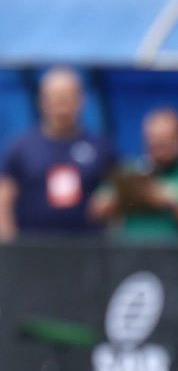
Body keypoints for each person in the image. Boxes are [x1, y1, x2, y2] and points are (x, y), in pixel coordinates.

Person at [0, 67, 115, 242]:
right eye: (55, 97)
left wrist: (109, 199)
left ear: (81, 100)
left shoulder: (101, 147)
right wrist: (9, 245)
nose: (61, 104)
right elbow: (4, 198)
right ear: (42, 101)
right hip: (33, 249)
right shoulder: (21, 147)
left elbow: (116, 191)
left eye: (66, 97)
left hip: (88, 249)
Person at [89, 108, 178, 241]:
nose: (159, 145)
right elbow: (96, 210)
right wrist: (131, 194)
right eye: (154, 139)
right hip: (130, 255)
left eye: (165, 140)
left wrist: (172, 201)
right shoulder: (129, 172)